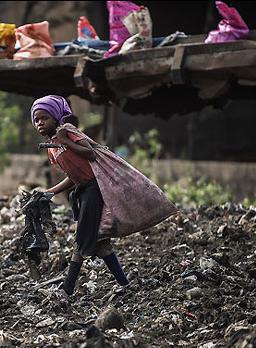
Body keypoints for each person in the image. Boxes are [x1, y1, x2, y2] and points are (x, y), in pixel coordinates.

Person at [31, 95, 177, 295]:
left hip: (95, 188)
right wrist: (49, 192)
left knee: (83, 236)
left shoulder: (67, 132)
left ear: (56, 116)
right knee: (98, 239)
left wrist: (65, 140)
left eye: (44, 118)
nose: (40, 123)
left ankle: (67, 288)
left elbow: (89, 153)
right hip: (83, 191)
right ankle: (124, 285)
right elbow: (74, 176)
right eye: (36, 119)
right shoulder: (51, 148)